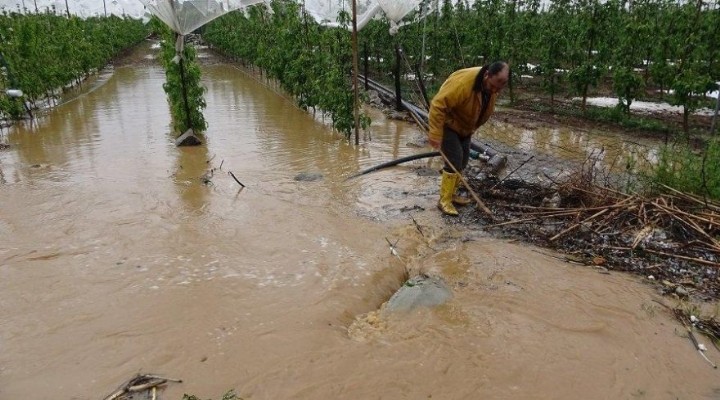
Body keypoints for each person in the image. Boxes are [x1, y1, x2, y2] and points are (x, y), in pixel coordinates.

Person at [427, 61, 509, 216]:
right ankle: (444, 200)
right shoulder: (463, 83)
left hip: (465, 128)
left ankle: (453, 194)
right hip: (449, 124)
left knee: (464, 160)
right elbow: (438, 105)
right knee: (454, 160)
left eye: (498, 89)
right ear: (487, 75)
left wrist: (471, 128)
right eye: (492, 86)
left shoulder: (491, 88)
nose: (494, 91)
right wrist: (435, 134)